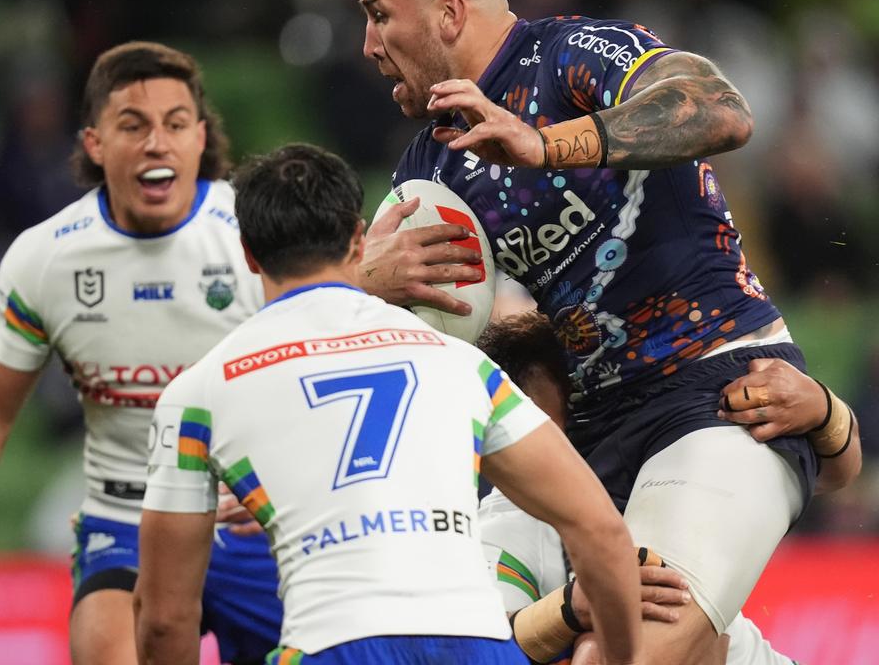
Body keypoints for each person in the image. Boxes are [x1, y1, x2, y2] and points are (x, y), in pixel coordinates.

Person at [355, 0, 859, 664]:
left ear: (449, 13)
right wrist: (368, 283)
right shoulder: (429, 171)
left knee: (621, 655)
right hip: (586, 436)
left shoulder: (572, 55)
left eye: (377, 15)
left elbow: (720, 108)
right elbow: (385, 349)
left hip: (719, 394)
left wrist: (548, 143)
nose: (367, 45)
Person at [134, 143, 643, 665]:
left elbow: (165, 618)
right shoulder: (461, 364)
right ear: (358, 239)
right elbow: (598, 530)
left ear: (247, 252)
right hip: (476, 646)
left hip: (332, 645)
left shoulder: (198, 392)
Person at [0, 42, 283, 665]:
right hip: (126, 522)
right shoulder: (46, 257)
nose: (157, 142)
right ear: (95, 143)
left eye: (175, 125)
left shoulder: (259, 234)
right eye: (133, 125)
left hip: (256, 524)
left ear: (200, 139)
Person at [474, 310, 861, 664]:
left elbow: (826, 474)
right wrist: (568, 610)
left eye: (575, 419)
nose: (556, 440)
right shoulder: (506, 525)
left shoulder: (653, 452)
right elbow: (474, 650)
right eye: (532, 425)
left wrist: (825, 412)